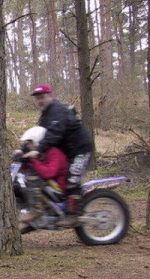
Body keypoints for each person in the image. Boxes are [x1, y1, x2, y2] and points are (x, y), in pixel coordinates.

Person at [28, 84, 94, 227]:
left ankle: (74, 215)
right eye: (37, 98)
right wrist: (24, 150)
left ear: (50, 96)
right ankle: (57, 209)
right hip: (67, 152)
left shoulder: (57, 110)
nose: (40, 101)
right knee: (57, 180)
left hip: (80, 149)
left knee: (72, 180)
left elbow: (53, 134)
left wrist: (38, 151)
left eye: (42, 97)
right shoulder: (46, 115)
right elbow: (38, 136)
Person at [13, 126, 69, 223]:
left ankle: (37, 209)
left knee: (31, 177)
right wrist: (21, 159)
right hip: (50, 185)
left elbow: (48, 173)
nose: (28, 145)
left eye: (30, 143)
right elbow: (31, 167)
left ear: (37, 141)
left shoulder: (54, 153)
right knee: (23, 180)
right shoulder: (42, 152)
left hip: (60, 187)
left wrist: (33, 160)